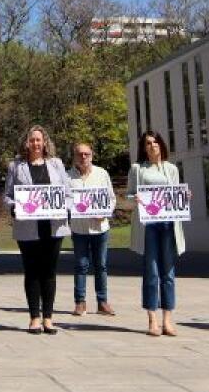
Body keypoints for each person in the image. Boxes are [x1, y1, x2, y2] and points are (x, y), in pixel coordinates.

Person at [4, 126, 71, 335]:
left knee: (49, 272)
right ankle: (34, 317)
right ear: (26, 143)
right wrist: (15, 206)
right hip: (28, 227)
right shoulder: (16, 166)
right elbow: (6, 196)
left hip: (52, 226)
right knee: (32, 271)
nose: (35, 144)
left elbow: (68, 194)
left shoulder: (56, 164)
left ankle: (48, 318)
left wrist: (64, 207)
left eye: (38, 140)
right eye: (31, 140)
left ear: (45, 142)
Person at [127, 130, 186, 337]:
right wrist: (134, 199)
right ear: (143, 148)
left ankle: (167, 319)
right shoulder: (137, 169)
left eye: (155, 142)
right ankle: (152, 319)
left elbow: (176, 194)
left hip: (168, 224)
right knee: (151, 271)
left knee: (168, 273)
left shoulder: (171, 169)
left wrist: (184, 197)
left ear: (161, 145)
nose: (152, 146)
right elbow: (129, 194)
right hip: (148, 225)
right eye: (148, 143)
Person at [67, 142, 115, 317]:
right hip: (79, 229)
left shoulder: (102, 174)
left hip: (100, 228)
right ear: (74, 156)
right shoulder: (67, 177)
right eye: (80, 154)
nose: (83, 157)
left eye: (86, 154)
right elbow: (65, 202)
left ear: (92, 155)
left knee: (101, 266)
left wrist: (105, 212)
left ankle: (102, 302)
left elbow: (111, 198)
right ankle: (80, 302)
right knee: (80, 266)